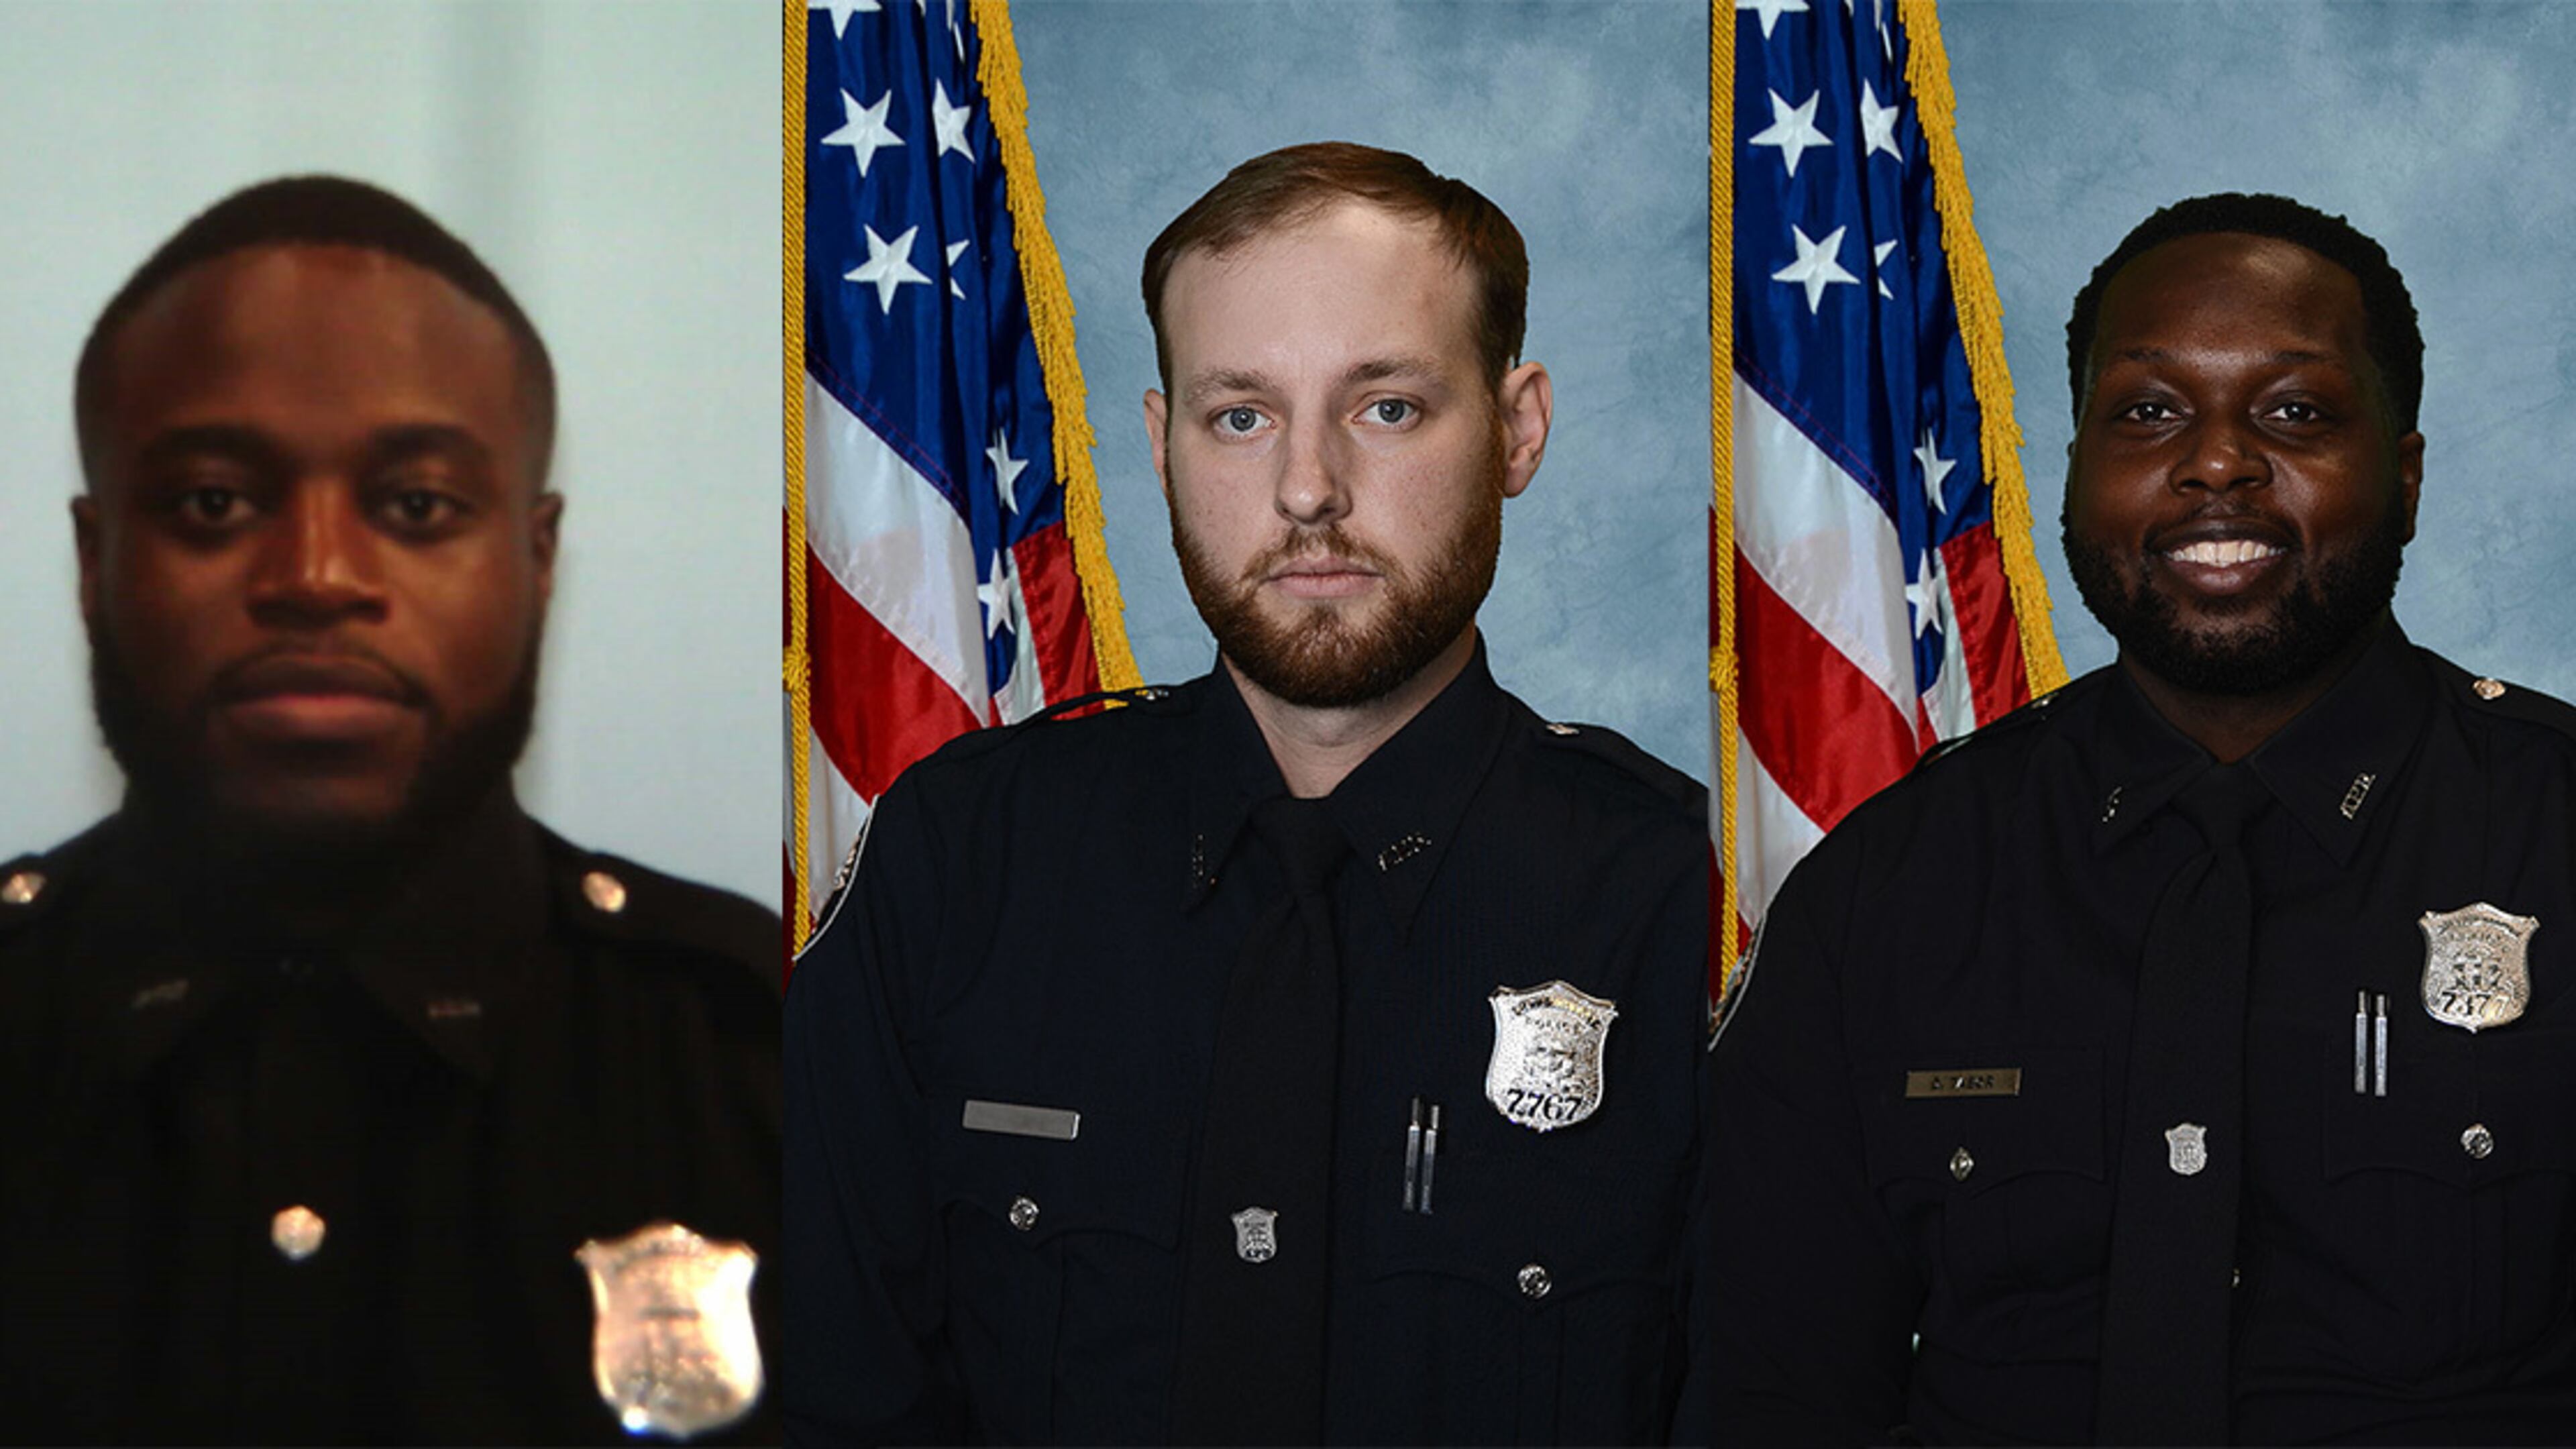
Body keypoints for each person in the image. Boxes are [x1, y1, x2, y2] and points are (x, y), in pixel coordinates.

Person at [784, 142, 1711, 1445]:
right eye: (1241, 414)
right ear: (1161, 444)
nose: (1308, 488)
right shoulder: (961, 861)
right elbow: (831, 1394)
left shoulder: (1685, 900)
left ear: (1518, 429)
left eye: (1386, 406)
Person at [1705, 191, 2576, 1444]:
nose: (2216, 461)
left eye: (2297, 412)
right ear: (2072, 471)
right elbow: (1770, 1391)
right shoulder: (1888, 889)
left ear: (2409, 472)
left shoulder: (2555, 828)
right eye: (2149, 412)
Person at [0, 177, 780, 1444]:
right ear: (96, 566)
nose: (316, 578)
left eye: (416, 506)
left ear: (536, 564)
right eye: (213, 502)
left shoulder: (767, 1056)